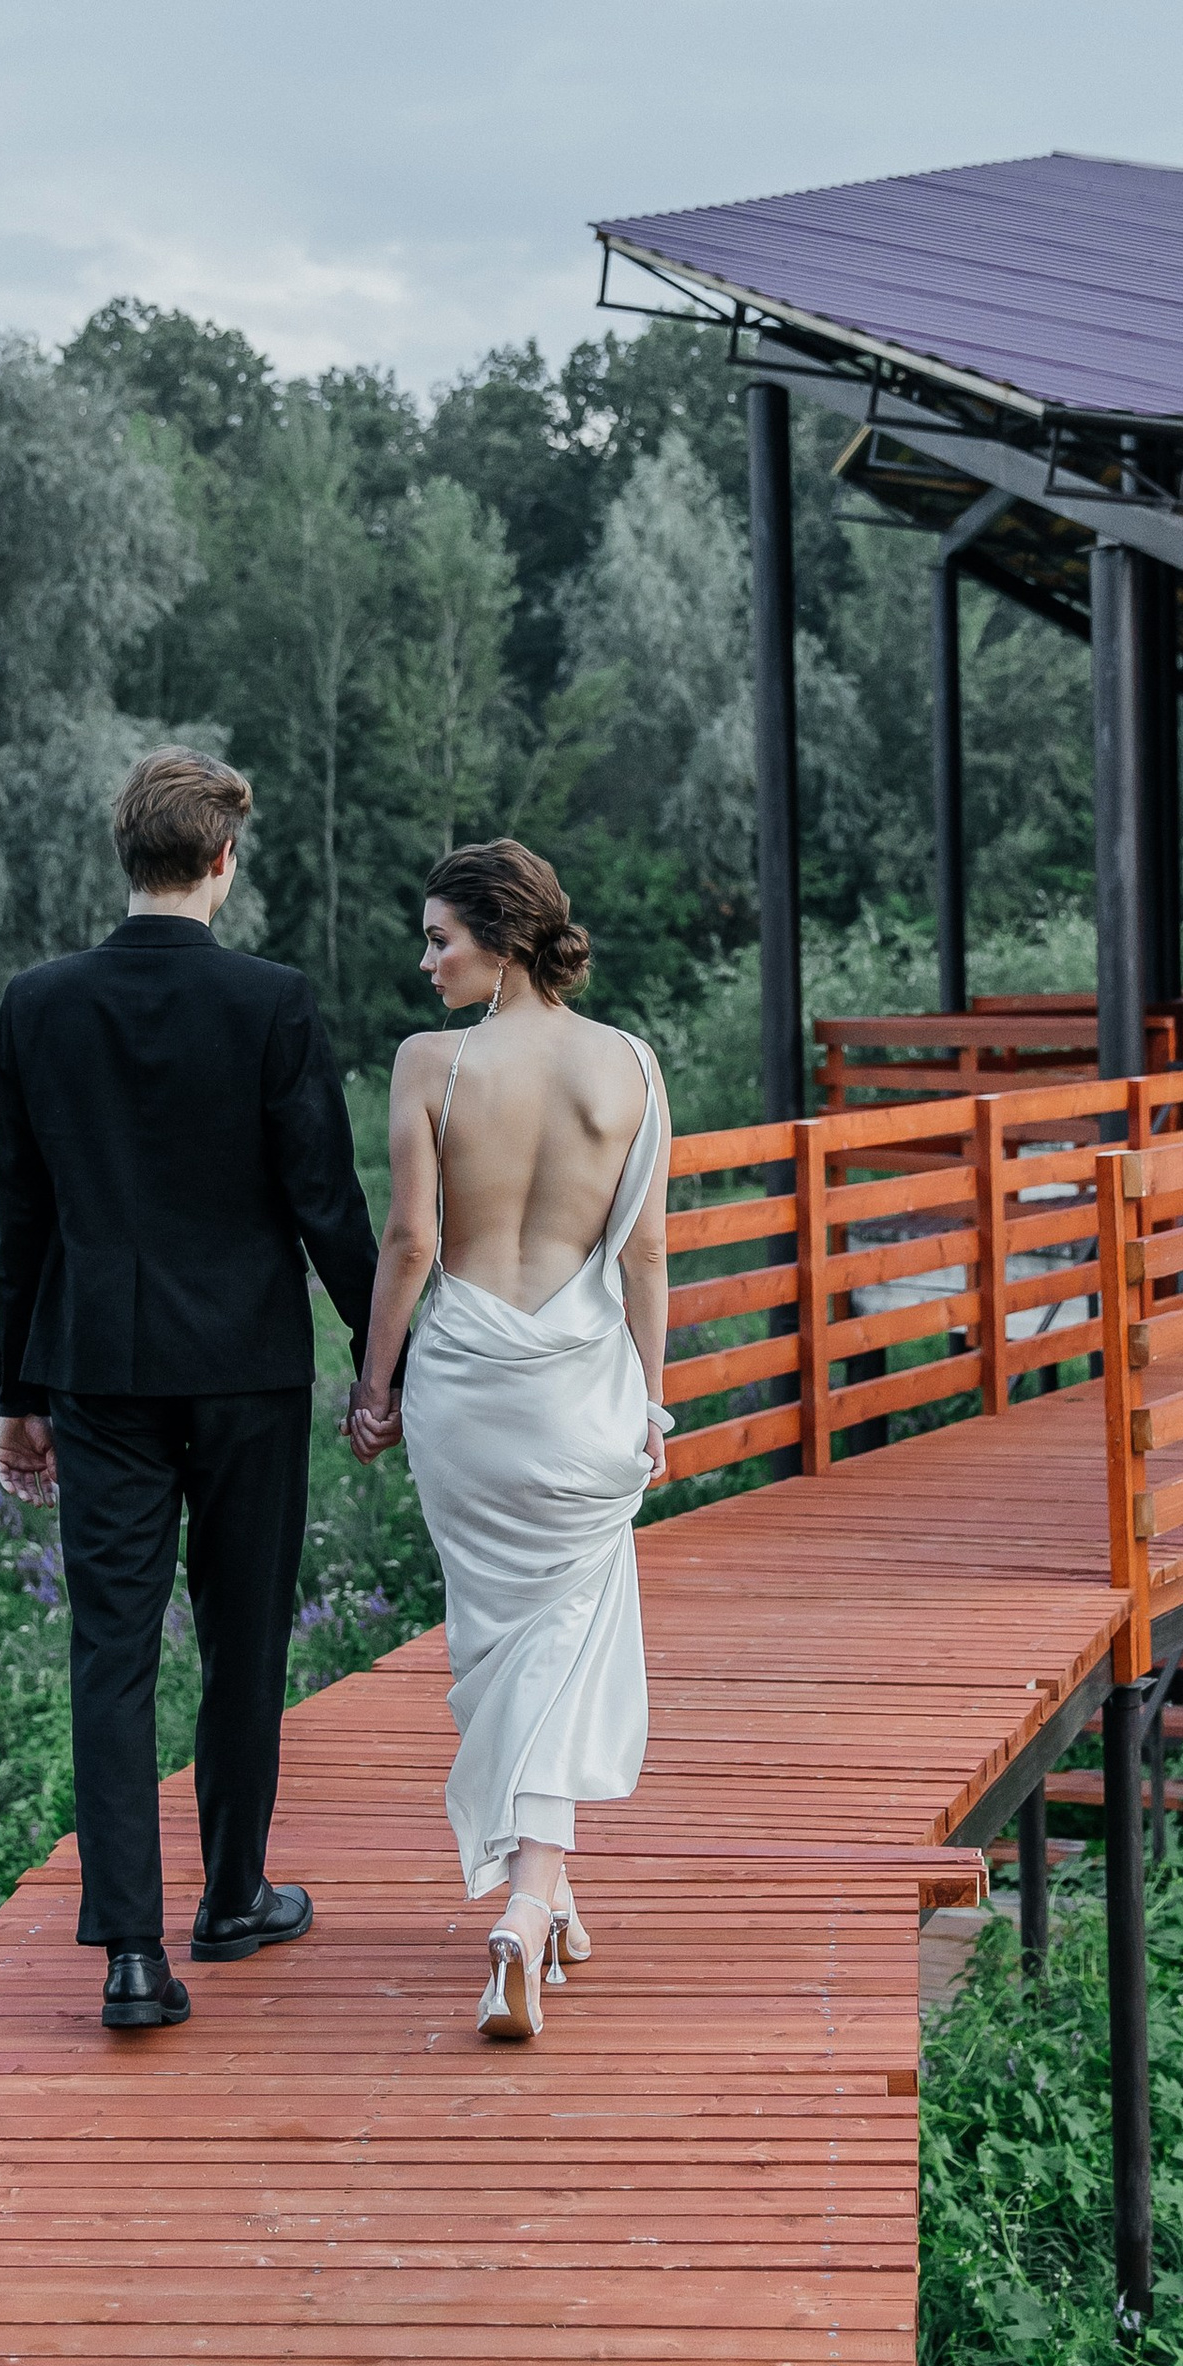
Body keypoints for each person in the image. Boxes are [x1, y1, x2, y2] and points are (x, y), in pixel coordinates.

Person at [0, 747, 381, 2034]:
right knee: (242, 1638)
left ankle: (131, 1961)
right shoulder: (271, 1002)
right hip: (249, 1370)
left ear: (130, 857)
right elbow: (323, 1200)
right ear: (224, 860)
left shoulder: (36, 1004)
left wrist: (17, 1390)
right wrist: (385, 1357)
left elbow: (22, 1216)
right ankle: (232, 1896)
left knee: (110, 1651)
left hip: (97, 1367)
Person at [346, 840, 671, 2041]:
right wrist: (649, 1400)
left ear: (501, 937)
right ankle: (538, 1909)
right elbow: (641, 1252)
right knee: (566, 1638)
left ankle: (534, 1906)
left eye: (440, 938)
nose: (424, 961)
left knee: (503, 1641)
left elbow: (411, 1246)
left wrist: (372, 1389)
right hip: (581, 1388)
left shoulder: (432, 1065)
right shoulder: (629, 1066)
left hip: (468, 1384)